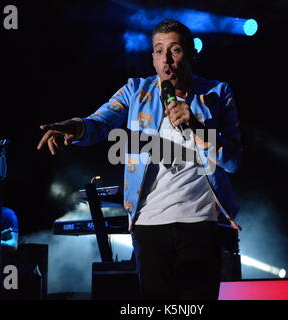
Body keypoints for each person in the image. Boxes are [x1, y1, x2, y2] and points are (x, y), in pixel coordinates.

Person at [37, 19, 242, 300]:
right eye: (159, 51)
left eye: (175, 49)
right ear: (153, 58)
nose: (166, 59)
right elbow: (99, 121)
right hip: (149, 224)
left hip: (201, 222)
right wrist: (73, 126)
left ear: (192, 54)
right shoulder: (136, 91)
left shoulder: (217, 94)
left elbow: (233, 160)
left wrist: (196, 126)